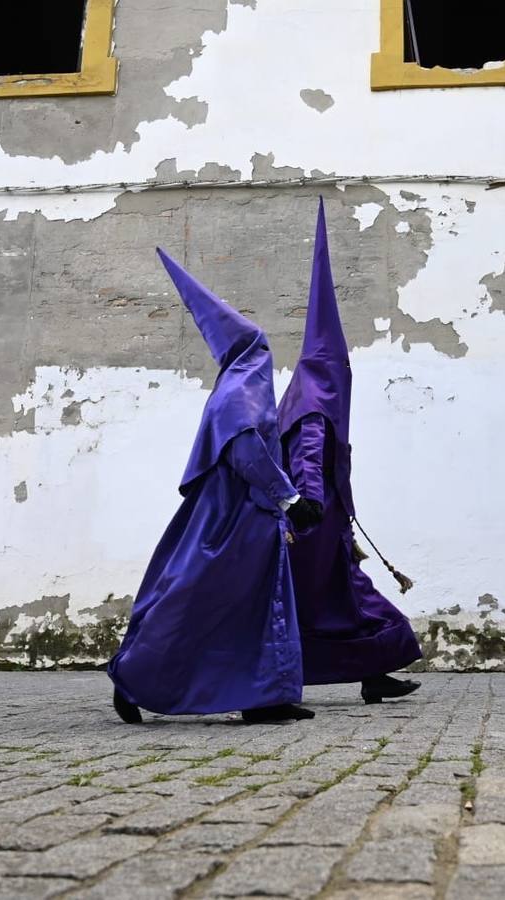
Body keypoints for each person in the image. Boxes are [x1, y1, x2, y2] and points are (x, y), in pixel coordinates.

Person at [109, 249, 323, 725]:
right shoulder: (242, 387)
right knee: (199, 598)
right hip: (234, 518)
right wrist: (288, 495)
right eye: (263, 348)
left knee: (254, 603)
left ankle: (266, 697)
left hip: (246, 515)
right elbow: (246, 450)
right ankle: (135, 677)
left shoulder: (235, 383)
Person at [278, 200, 424, 705]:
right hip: (314, 527)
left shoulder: (303, 396)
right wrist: (316, 504)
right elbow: (308, 453)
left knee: (339, 601)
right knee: (342, 599)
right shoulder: (316, 404)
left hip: (322, 525)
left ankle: (375, 672)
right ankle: (364, 667)